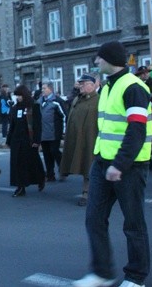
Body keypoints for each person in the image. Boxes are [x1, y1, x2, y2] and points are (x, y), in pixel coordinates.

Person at [73, 41, 152, 287]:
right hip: (103, 163)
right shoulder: (107, 87)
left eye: (99, 58)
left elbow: (136, 130)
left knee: (133, 224)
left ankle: (136, 278)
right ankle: (102, 273)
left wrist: (120, 163)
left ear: (110, 60)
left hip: (128, 167)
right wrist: (103, 161)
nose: (96, 62)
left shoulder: (134, 87)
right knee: (94, 219)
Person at [59, 73, 99, 206]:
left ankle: (87, 193)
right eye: (80, 83)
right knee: (83, 165)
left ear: (92, 86)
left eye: (84, 84)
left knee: (89, 165)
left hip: (92, 139)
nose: (80, 86)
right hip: (78, 139)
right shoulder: (77, 99)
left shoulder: (99, 100)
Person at [7, 84, 45, 197]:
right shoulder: (14, 108)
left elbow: (38, 125)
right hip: (16, 140)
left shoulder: (34, 107)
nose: (18, 98)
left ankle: (41, 178)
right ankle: (20, 186)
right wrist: (8, 140)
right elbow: (12, 125)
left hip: (28, 140)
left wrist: (37, 141)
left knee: (32, 162)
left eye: (20, 95)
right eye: (16, 96)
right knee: (17, 164)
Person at [36, 81, 67, 182]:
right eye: (42, 89)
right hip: (43, 132)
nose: (42, 90)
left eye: (44, 88)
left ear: (50, 89)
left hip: (54, 132)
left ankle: (63, 169)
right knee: (46, 154)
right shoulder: (39, 101)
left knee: (54, 151)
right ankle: (50, 174)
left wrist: (64, 131)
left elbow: (65, 116)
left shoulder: (57, 101)